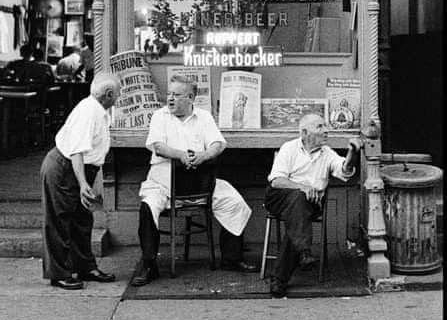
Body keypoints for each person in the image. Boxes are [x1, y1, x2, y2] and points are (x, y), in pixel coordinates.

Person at [132, 74, 257, 286]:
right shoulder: (160, 116)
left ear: (190, 97)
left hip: (200, 181)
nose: (170, 98)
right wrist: (181, 155)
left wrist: (203, 156)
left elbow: (218, 144)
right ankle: (149, 263)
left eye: (177, 95)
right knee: (148, 207)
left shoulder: (204, 117)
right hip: (164, 180)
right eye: (169, 93)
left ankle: (231, 258)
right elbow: (158, 146)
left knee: (234, 202)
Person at [265, 113, 362, 298]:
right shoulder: (289, 148)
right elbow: (277, 181)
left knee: (298, 214)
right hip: (280, 197)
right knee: (298, 201)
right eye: (319, 126)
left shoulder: (327, 153)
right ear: (304, 132)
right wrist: (303, 187)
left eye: (325, 126)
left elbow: (345, 171)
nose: (326, 130)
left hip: (309, 204)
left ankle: (280, 279)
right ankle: (302, 251)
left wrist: (352, 152)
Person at [40, 71, 121, 290]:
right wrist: (84, 183)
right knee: (60, 220)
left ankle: (85, 266)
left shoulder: (99, 110)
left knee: (82, 220)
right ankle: (59, 273)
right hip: (66, 166)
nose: (118, 98)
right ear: (109, 94)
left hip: (82, 169)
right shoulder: (88, 112)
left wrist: (90, 182)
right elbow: (77, 151)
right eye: (118, 94)